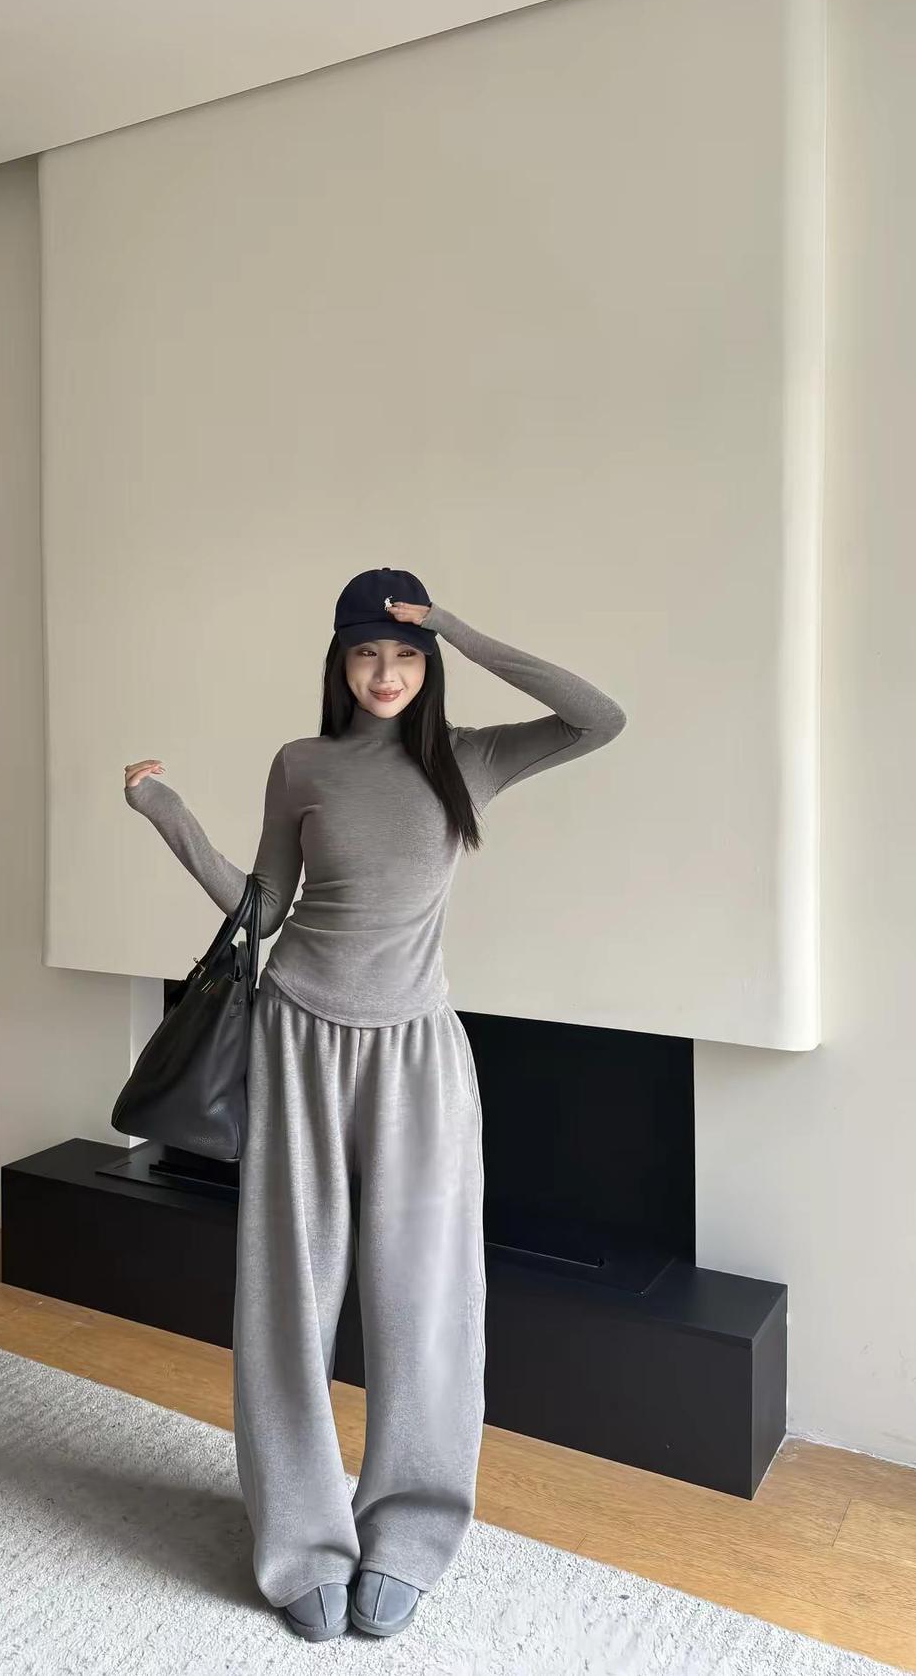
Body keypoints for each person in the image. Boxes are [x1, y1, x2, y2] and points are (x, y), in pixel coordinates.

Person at [123, 567, 626, 1643]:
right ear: (339, 662)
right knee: (288, 1296)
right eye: (367, 653)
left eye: (404, 654)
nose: (386, 672)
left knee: (424, 1299)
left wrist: (454, 626)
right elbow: (262, 908)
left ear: (427, 662)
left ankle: (408, 1529)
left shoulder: (471, 759)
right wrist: (167, 812)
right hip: (296, 1036)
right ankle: (301, 1540)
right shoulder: (301, 764)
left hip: (416, 1055)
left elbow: (599, 717)